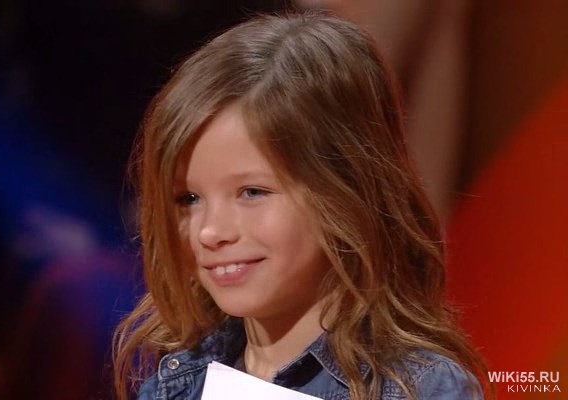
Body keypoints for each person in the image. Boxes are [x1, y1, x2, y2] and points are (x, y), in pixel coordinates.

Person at [112, 12, 491, 400]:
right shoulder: (174, 386)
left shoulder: (418, 388)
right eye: (189, 199)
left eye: (252, 192)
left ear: (343, 189)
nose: (210, 231)